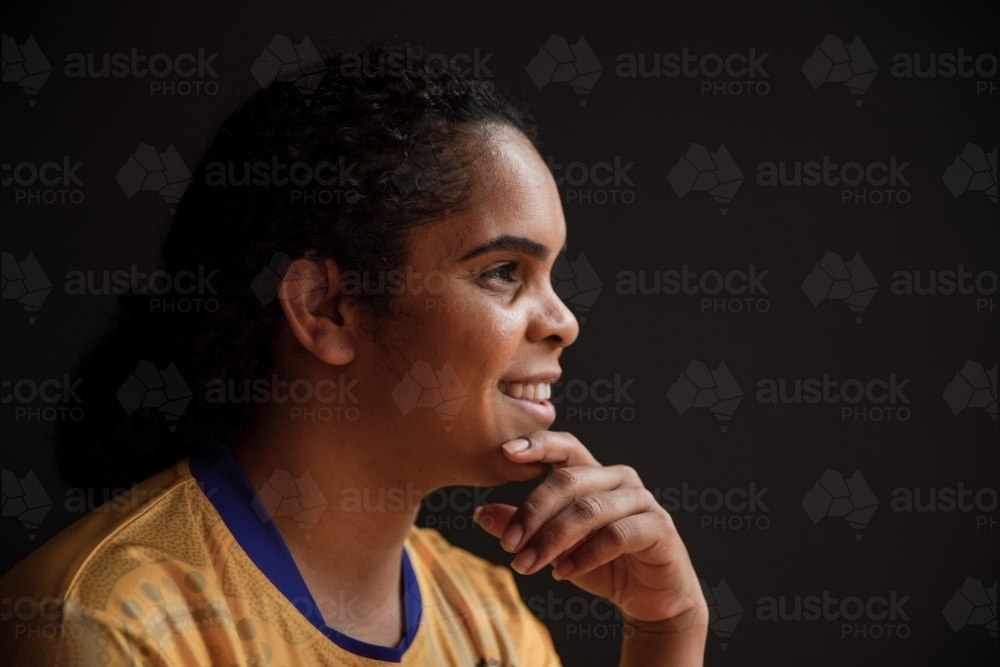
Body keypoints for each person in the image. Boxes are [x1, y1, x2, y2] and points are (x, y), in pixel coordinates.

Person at [1, 45, 708, 666]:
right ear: (324, 307)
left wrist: (666, 632)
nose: (564, 322)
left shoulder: (495, 623)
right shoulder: (108, 624)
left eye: (553, 275)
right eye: (503, 272)